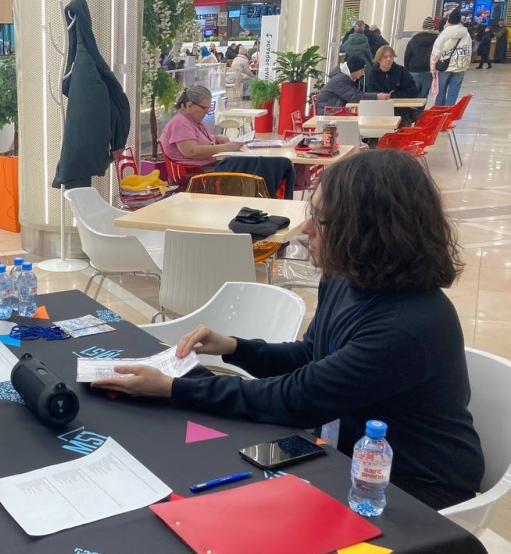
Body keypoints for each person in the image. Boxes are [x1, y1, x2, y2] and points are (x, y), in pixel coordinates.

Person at [92, 149, 483, 512]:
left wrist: (173, 388)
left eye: (322, 220)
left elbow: (297, 398)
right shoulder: (346, 279)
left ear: (370, 231)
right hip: (346, 455)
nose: (306, 229)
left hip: (411, 486)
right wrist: (233, 346)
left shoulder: (408, 326)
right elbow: (312, 358)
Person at [159, 85, 243, 168]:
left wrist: (216, 138)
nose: (207, 112)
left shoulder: (195, 120)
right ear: (189, 105)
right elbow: (192, 151)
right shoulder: (180, 122)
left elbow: (203, 139)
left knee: (245, 161)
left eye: (208, 109)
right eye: (204, 108)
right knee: (244, 164)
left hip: (209, 166)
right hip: (196, 171)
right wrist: (226, 147)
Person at [315, 56, 389, 114]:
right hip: (328, 112)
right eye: (362, 70)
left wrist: (376, 96)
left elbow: (355, 94)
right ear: (354, 69)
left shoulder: (345, 77)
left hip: (332, 109)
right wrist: (376, 96)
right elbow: (354, 97)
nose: (363, 73)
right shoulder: (340, 80)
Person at [366, 46, 418, 125]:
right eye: (385, 57)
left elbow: (412, 89)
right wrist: (380, 96)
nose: (389, 59)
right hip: (380, 107)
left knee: (406, 118)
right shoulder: (372, 74)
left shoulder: (401, 71)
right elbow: (370, 91)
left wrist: (394, 96)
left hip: (401, 107)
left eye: (391, 56)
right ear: (379, 59)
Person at [432, 9, 473, 107]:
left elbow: (436, 50)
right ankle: (449, 111)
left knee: (441, 90)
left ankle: (439, 111)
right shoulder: (466, 34)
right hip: (460, 66)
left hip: (444, 66)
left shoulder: (445, 33)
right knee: (453, 91)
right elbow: (469, 50)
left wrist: (433, 67)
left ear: (449, 20)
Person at [405, 17, 439, 98]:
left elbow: (407, 56)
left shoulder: (413, 39)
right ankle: (421, 106)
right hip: (429, 70)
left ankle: (412, 106)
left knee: (412, 94)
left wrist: (407, 68)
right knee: (424, 95)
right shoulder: (437, 40)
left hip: (414, 69)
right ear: (433, 27)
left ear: (423, 27)